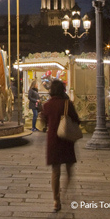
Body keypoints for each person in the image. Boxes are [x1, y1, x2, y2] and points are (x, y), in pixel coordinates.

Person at [38, 79, 79, 212]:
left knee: (55, 171)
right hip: (66, 139)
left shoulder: (47, 105)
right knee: (69, 170)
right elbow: (77, 120)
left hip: (53, 140)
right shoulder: (67, 104)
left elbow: (42, 121)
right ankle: (66, 193)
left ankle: (56, 200)